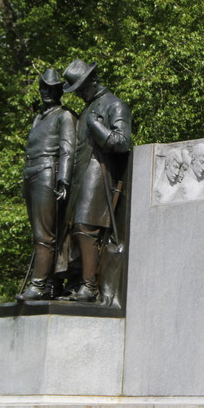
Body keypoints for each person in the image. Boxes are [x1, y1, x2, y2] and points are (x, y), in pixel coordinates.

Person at [62, 59, 132, 302]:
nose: (80, 94)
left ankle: (90, 286)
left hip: (98, 174)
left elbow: (123, 143)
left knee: (85, 227)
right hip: (80, 175)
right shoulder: (86, 108)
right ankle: (78, 281)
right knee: (73, 231)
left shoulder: (115, 105)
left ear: (93, 81)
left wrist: (97, 126)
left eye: (81, 88)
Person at [16, 69, 77, 301]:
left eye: (52, 88)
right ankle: (50, 282)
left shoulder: (65, 116)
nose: (47, 92)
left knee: (45, 235)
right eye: (43, 87)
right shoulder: (39, 118)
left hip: (47, 172)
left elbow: (67, 149)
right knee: (37, 234)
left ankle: (39, 285)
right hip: (31, 173)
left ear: (60, 90)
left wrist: (63, 178)